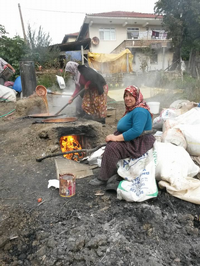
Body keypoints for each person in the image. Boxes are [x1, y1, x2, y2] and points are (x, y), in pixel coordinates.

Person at [89, 85, 156, 186]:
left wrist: (115, 138)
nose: (127, 98)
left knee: (113, 147)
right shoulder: (132, 109)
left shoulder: (140, 111)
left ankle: (104, 178)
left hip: (138, 142)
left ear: (137, 96)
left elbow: (136, 131)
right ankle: (114, 170)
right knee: (112, 144)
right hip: (133, 139)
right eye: (126, 96)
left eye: (131, 96)